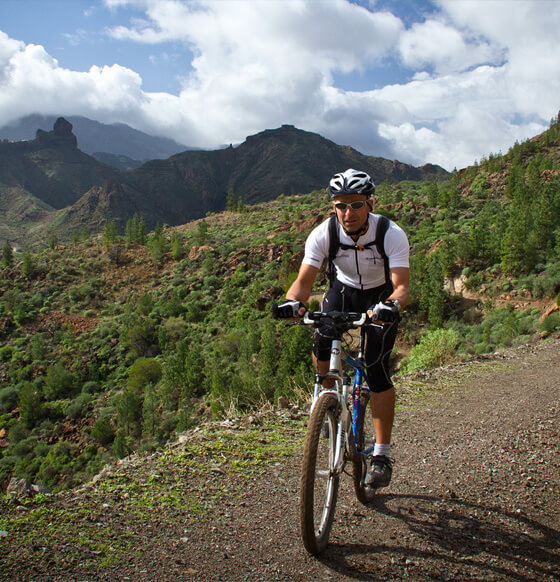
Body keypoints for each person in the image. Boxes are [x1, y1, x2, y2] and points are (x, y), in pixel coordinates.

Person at [274, 168, 410, 488]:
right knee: (322, 341)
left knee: (376, 369)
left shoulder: (391, 233)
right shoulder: (324, 234)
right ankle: (326, 393)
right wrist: (293, 302)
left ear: (371, 204)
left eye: (356, 204)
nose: (348, 213)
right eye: (341, 205)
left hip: (380, 297)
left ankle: (381, 454)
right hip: (344, 292)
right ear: (332, 207)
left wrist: (392, 305)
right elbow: (303, 282)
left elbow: (401, 286)